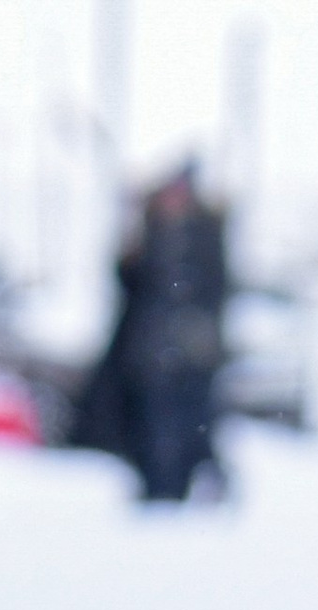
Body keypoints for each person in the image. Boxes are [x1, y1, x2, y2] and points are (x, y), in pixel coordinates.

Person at [74, 164, 229, 504]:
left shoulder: (201, 235)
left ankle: (187, 486)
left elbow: (207, 291)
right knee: (150, 427)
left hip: (188, 357)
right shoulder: (150, 235)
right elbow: (131, 288)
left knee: (191, 426)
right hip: (149, 358)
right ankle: (160, 489)